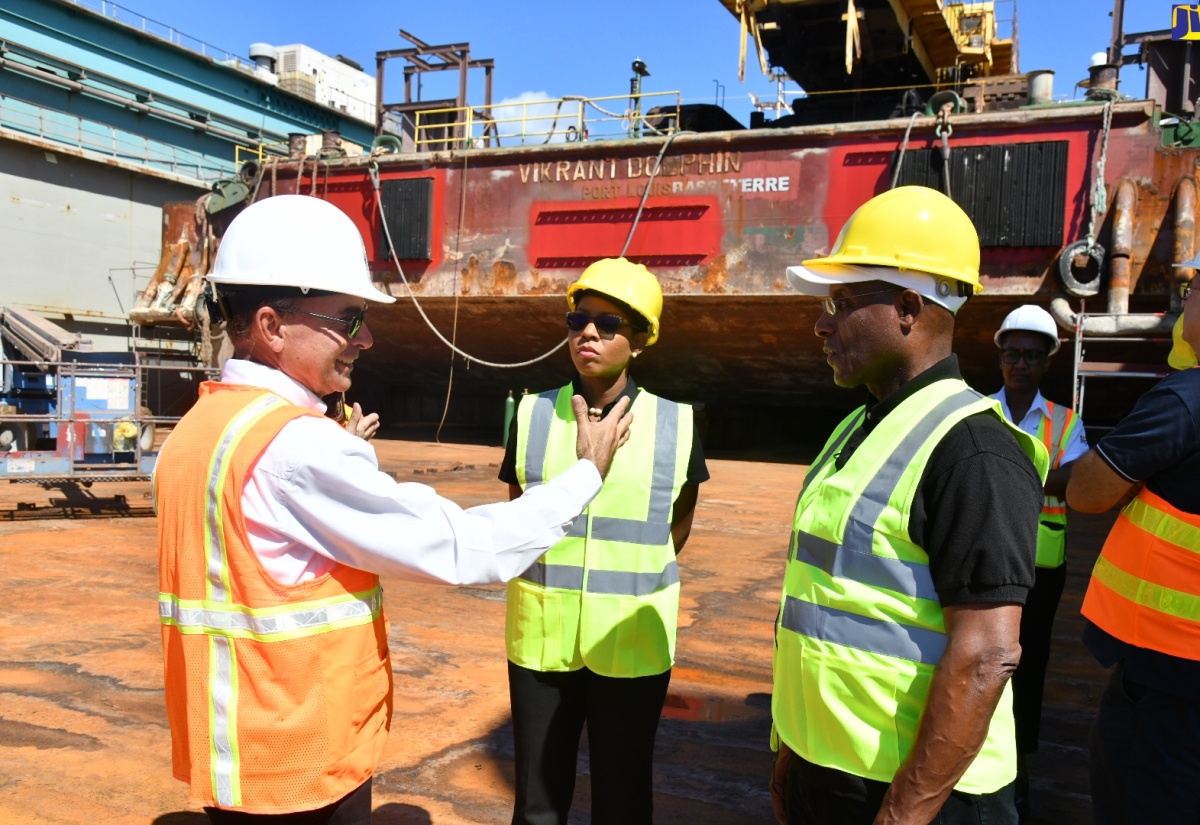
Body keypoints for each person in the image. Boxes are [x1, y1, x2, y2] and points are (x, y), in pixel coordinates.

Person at [154, 195, 633, 824]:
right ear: (272, 326)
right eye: (350, 319)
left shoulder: (195, 433)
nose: (367, 338)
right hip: (302, 766)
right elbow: (467, 548)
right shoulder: (297, 446)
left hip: (234, 758)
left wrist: (330, 457)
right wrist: (585, 474)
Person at [770, 185, 1047, 825]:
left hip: (920, 797)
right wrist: (791, 753)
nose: (820, 322)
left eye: (839, 302)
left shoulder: (976, 451)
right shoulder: (856, 428)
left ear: (906, 307)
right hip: (830, 774)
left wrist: (902, 815)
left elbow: (986, 656)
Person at [496, 257, 708, 825]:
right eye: (578, 319)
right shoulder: (534, 413)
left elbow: (676, 527)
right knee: (537, 804)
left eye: (609, 324)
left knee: (623, 798)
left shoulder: (676, 423)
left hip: (632, 641)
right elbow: (521, 516)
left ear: (640, 341)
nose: (588, 332)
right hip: (542, 640)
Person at [1066, 274, 1200, 825]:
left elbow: (1087, 492)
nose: (1186, 299)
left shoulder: (1186, 401)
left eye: (1195, 291)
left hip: (1168, 678)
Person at [989, 304, 1087, 820]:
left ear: (1047, 360)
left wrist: (1006, 473)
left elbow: (1074, 482)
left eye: (1030, 355)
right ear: (1001, 357)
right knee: (980, 655)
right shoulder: (978, 410)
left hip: (1042, 571)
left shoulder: (1066, 422)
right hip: (984, 558)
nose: (1020, 363)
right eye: (1012, 354)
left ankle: (1018, 768)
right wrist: (1037, 473)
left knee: (1029, 667)